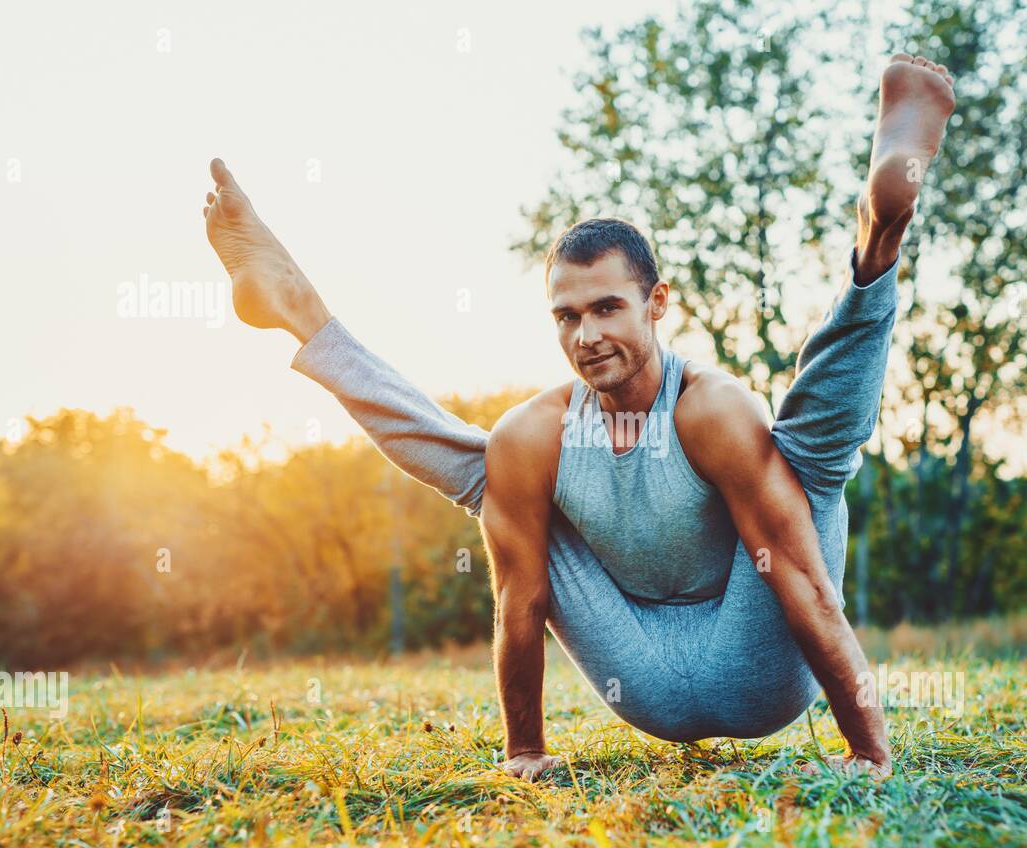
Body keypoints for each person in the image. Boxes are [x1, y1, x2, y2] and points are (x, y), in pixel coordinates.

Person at [202, 54, 957, 781]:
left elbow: (797, 578)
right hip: (644, 679)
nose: (586, 333)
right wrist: (523, 749)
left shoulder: (710, 409)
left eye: (606, 307)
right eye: (566, 316)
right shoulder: (538, 432)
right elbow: (517, 599)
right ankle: (300, 310)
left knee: (803, 462)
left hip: (762, 667)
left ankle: (875, 245)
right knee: (499, 468)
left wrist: (867, 747)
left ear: (656, 305)